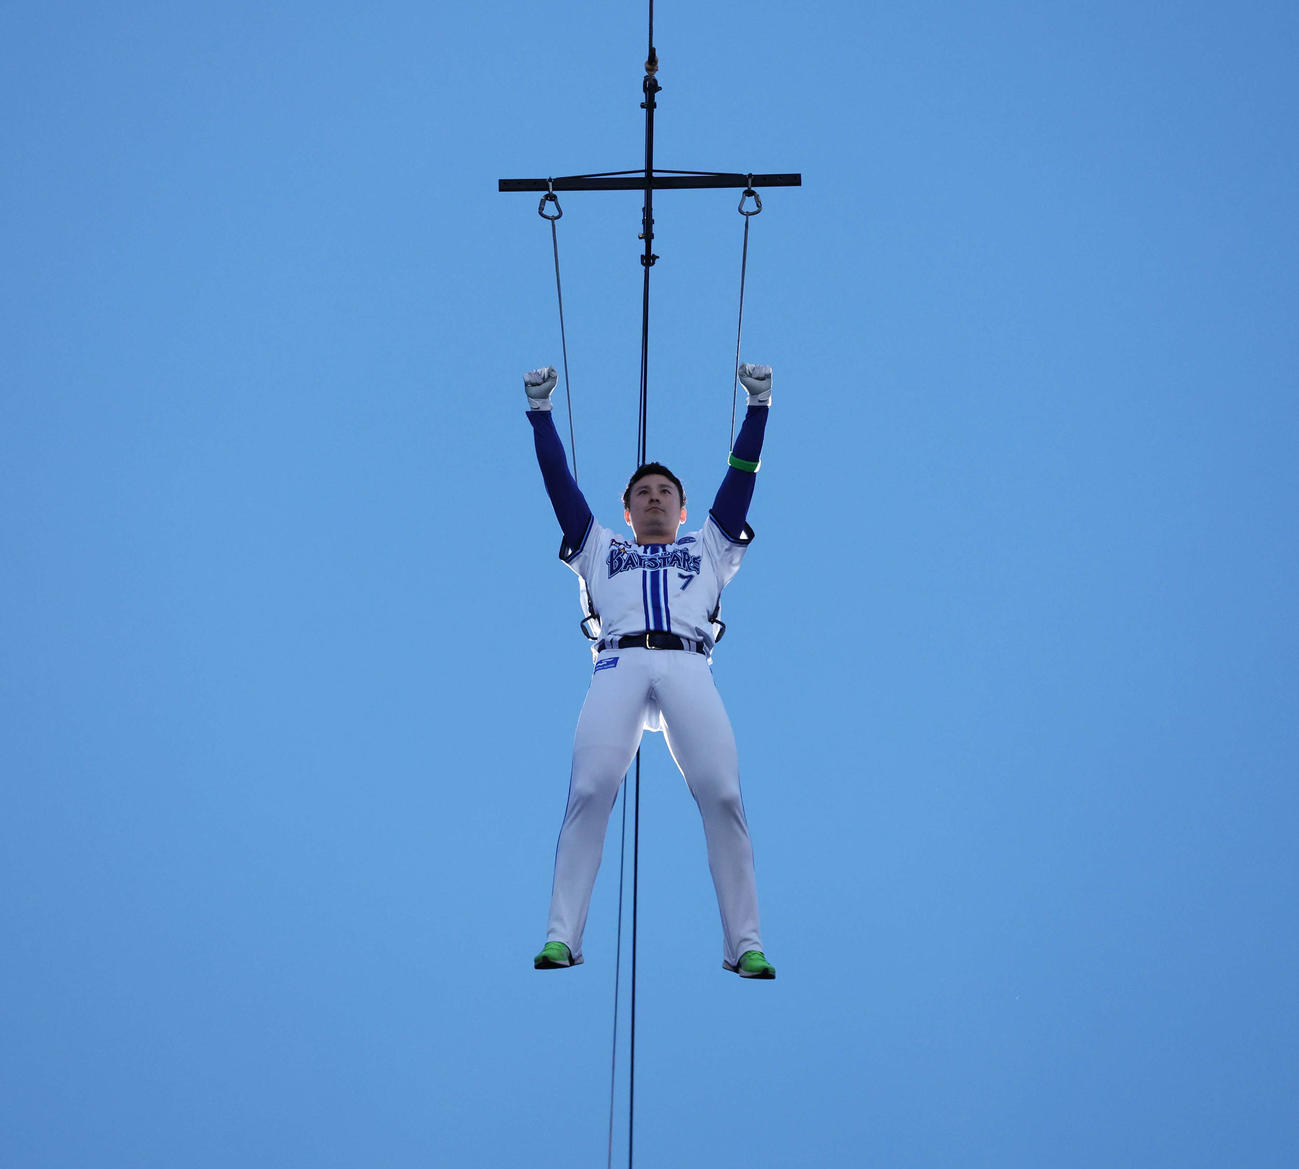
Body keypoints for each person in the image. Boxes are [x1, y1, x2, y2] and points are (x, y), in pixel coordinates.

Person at [523, 362, 777, 979]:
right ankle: (562, 936)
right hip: (620, 660)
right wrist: (540, 413)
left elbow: (739, 484)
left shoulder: (707, 548)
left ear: (683, 510)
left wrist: (759, 409)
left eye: (666, 492)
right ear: (628, 511)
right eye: (643, 494)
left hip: (689, 664)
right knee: (589, 789)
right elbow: (560, 486)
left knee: (722, 793)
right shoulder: (601, 548)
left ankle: (745, 943)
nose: (655, 497)